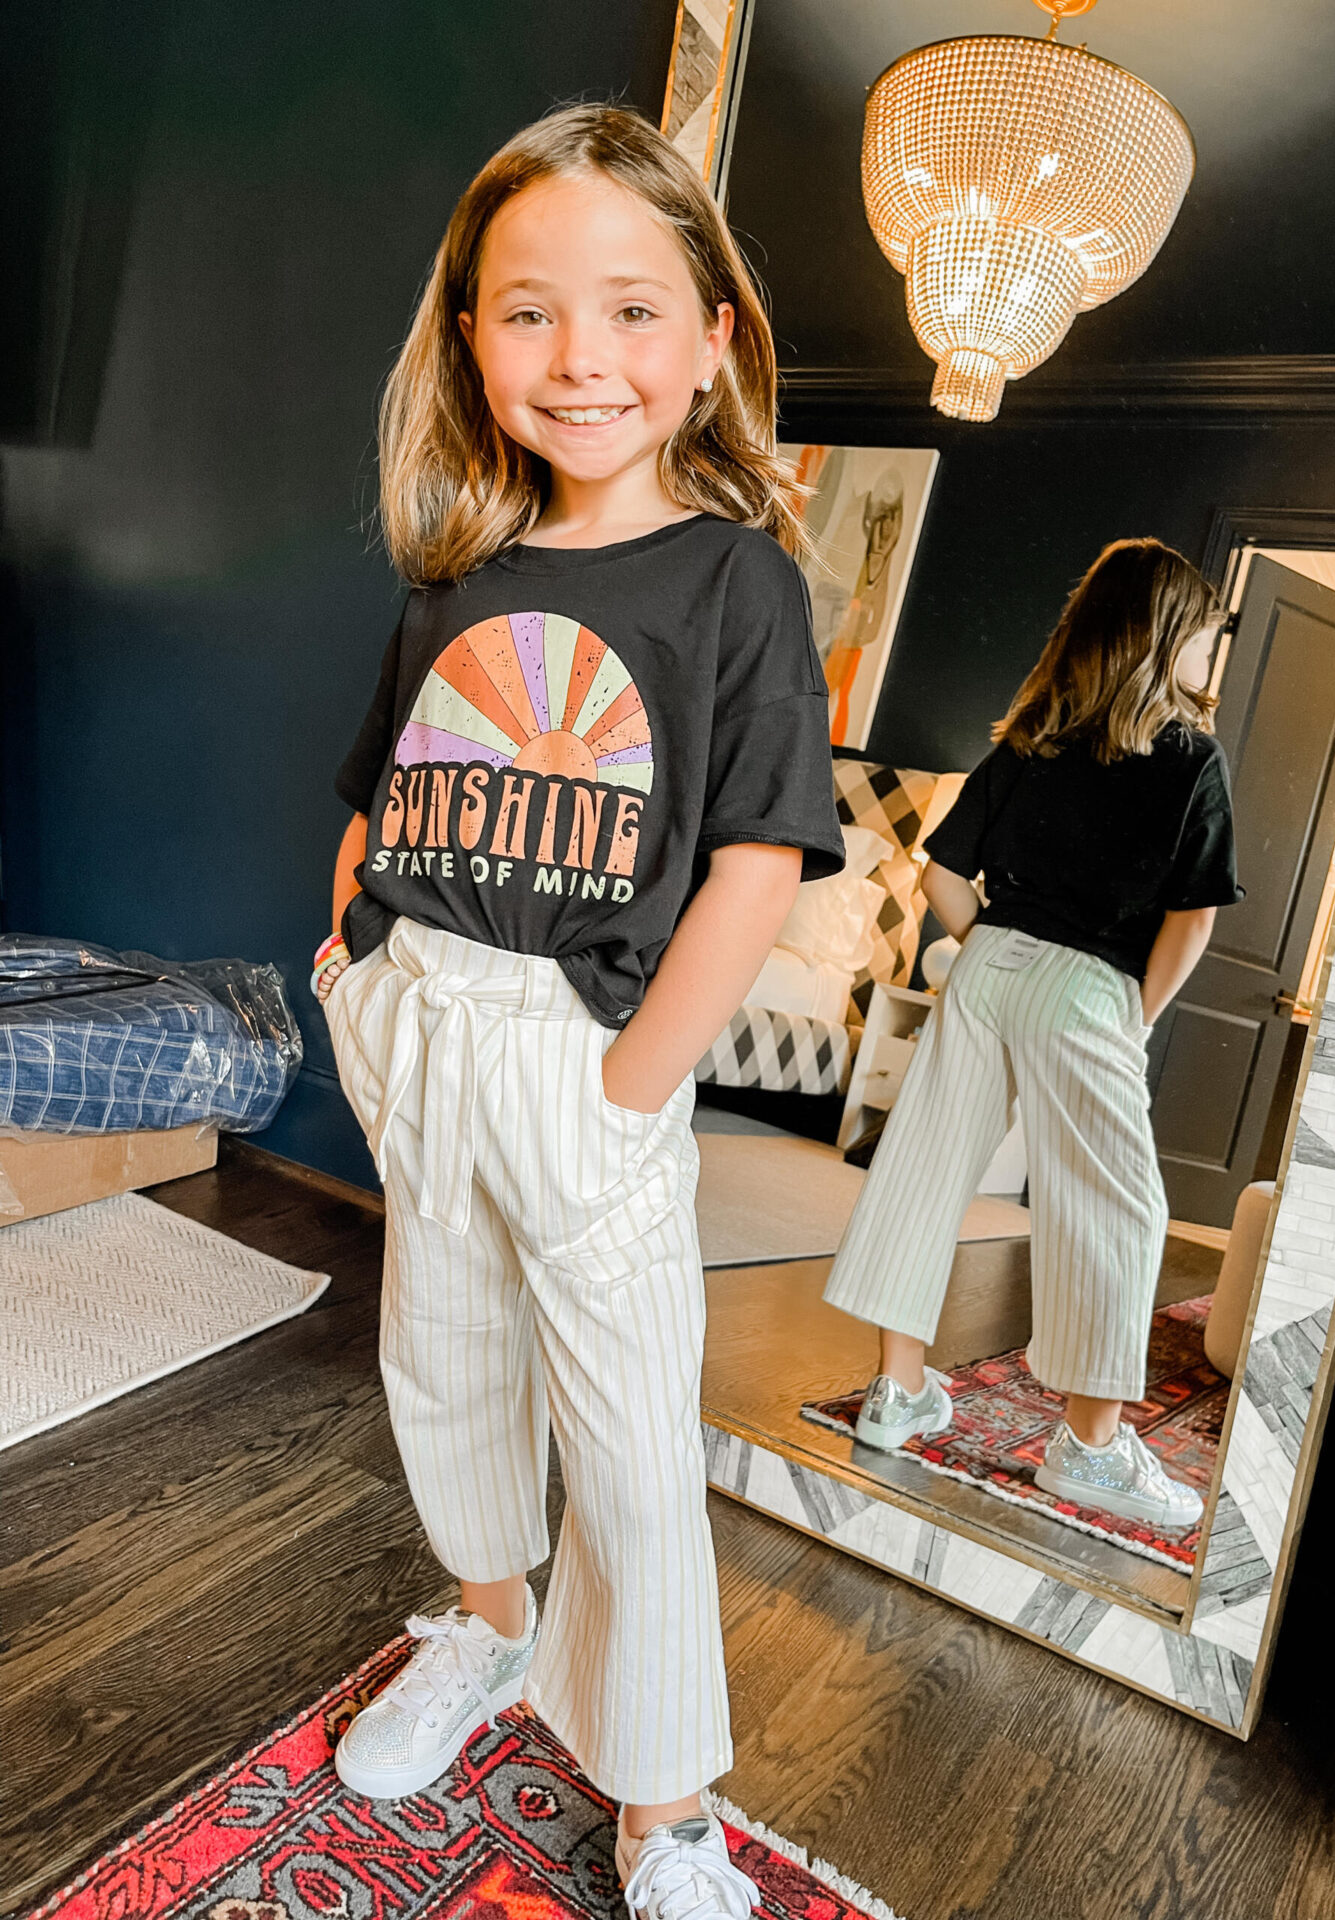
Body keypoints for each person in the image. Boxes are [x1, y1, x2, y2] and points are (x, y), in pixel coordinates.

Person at [311, 104, 843, 1917]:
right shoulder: (457, 570)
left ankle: (668, 1801)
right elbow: (381, 803)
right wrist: (354, 984)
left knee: (624, 1447)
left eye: (631, 310)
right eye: (528, 311)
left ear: (711, 343)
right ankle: (479, 1627)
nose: (580, 357)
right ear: (469, 336)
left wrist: (631, 1092)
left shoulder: (737, 583)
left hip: (581, 1059)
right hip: (422, 1030)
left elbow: (760, 867)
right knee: (441, 1363)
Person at [822, 539, 1242, 1531]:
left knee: (925, 1167)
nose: (1208, 658)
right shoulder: (1190, 756)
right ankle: (1090, 1447)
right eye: (1205, 638)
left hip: (987, 965)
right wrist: (1132, 1013)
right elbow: (1194, 914)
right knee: (1120, 1210)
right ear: (1168, 635)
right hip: (1087, 988)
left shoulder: (1035, 733)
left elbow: (942, 878)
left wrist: (997, 954)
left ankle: (897, 1394)